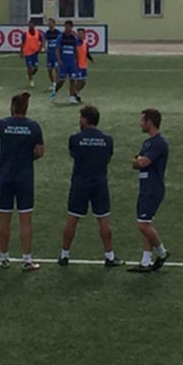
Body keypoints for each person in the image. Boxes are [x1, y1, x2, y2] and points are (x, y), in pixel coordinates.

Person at [0, 91, 44, 271]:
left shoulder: (3, 124)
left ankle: (4, 257)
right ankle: (27, 259)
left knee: (4, 219)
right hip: (24, 178)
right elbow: (39, 152)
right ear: (26, 108)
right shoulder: (34, 127)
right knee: (25, 219)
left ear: (12, 107)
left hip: (5, 177)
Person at [60, 104, 124, 267]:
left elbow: (72, 155)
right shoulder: (107, 139)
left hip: (80, 183)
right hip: (99, 183)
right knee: (103, 220)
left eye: (81, 117)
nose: (79, 120)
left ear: (86, 119)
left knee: (72, 218)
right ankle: (109, 256)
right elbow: (108, 159)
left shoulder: (75, 138)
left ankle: (64, 255)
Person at [128, 108, 170, 273]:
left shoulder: (159, 143)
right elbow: (135, 162)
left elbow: (141, 162)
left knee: (143, 225)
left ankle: (162, 252)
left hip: (152, 188)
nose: (140, 123)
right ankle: (145, 261)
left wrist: (138, 160)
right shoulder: (147, 142)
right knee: (147, 223)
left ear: (150, 122)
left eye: (142, 120)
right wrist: (137, 161)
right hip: (145, 187)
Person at [51, 20, 79, 102]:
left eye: (69, 26)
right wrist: (59, 59)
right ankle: (54, 91)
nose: (67, 28)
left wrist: (76, 60)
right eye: (66, 26)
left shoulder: (74, 38)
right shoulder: (61, 37)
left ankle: (72, 97)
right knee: (61, 81)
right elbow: (57, 49)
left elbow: (76, 50)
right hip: (64, 62)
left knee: (73, 79)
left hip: (71, 62)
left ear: (71, 27)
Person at [21, 19, 44, 88]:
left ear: (34, 25)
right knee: (29, 67)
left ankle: (30, 75)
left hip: (35, 53)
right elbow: (22, 43)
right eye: (29, 25)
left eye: (32, 25)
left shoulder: (38, 33)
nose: (30, 26)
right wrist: (21, 52)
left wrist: (40, 48)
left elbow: (42, 41)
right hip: (28, 53)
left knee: (36, 68)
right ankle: (31, 80)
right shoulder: (25, 34)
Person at [70, 38, 92, 104]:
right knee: (79, 80)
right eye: (79, 33)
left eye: (81, 34)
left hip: (84, 65)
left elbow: (87, 52)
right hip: (77, 65)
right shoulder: (75, 43)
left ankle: (76, 93)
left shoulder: (85, 43)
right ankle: (74, 95)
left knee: (84, 81)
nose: (80, 35)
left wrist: (91, 59)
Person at [44, 17, 60, 92]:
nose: (49, 25)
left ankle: (56, 84)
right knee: (49, 69)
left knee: (57, 69)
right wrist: (45, 47)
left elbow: (61, 41)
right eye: (48, 23)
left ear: (54, 24)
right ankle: (53, 83)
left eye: (51, 23)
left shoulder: (58, 32)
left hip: (55, 53)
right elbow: (44, 40)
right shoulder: (47, 33)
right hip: (50, 53)